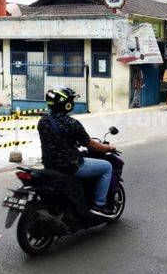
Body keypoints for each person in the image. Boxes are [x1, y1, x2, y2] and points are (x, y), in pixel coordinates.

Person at [38, 86, 117, 218]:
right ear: (66, 104)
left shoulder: (43, 121)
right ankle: (99, 205)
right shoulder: (72, 123)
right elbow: (91, 145)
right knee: (107, 167)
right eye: (71, 100)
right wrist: (109, 148)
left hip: (50, 166)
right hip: (71, 166)